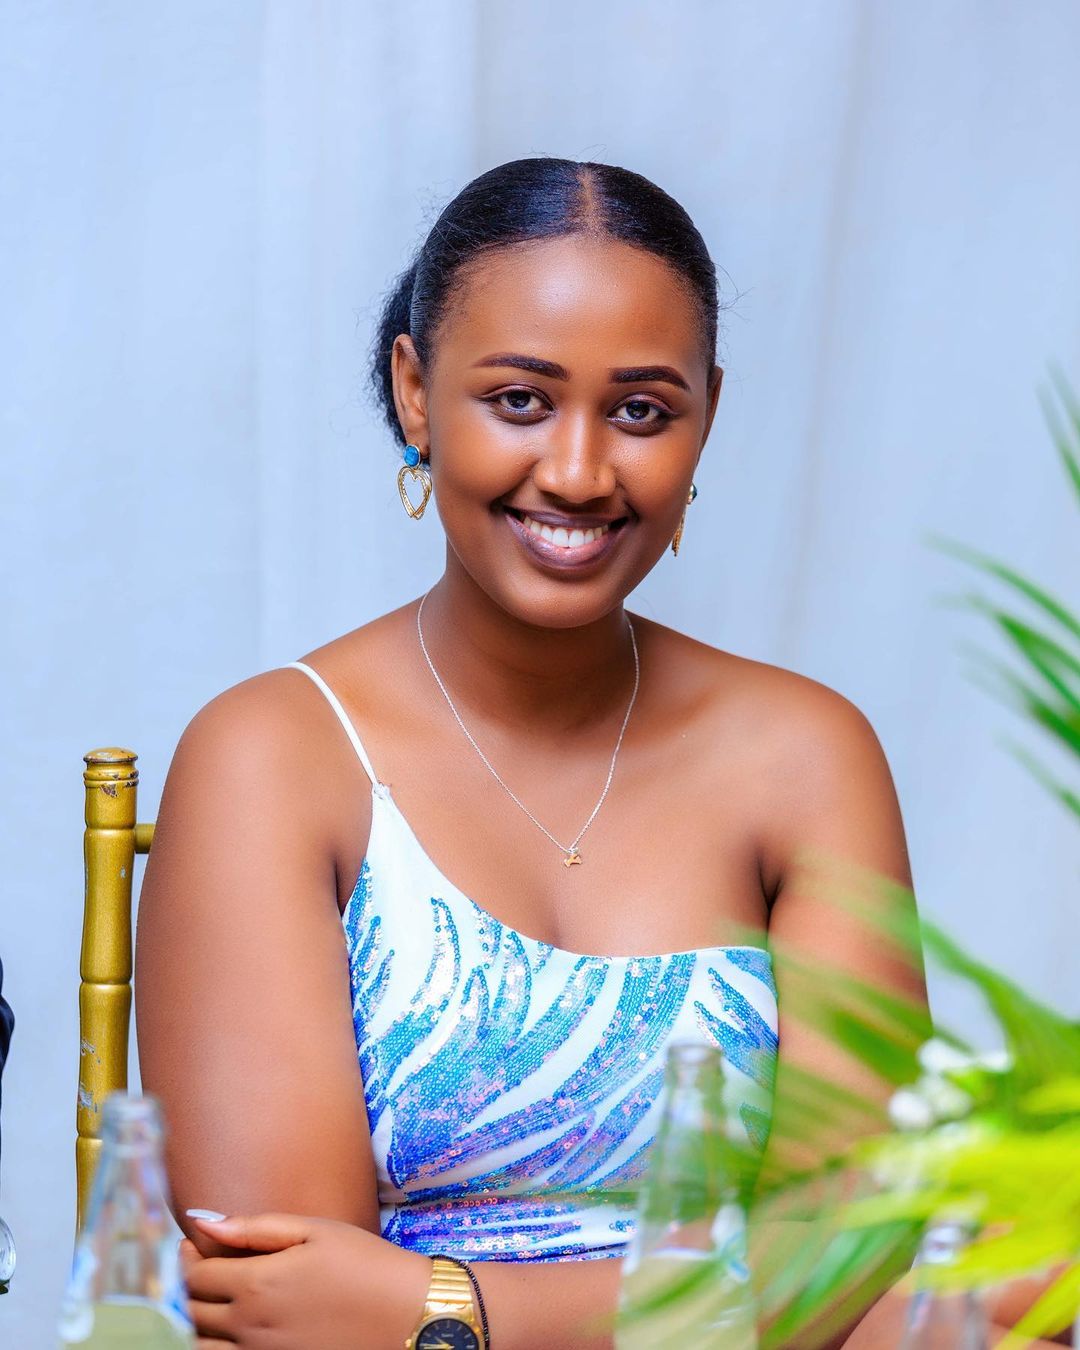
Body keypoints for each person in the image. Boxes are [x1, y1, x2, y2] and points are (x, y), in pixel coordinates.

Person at [134, 158, 925, 1348]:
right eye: (519, 400)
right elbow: (290, 1312)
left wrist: (452, 1310)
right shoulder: (272, 757)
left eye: (642, 411)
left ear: (707, 417)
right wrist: (731, 1299)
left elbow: (852, 1240)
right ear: (415, 391)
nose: (577, 472)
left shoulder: (808, 755)